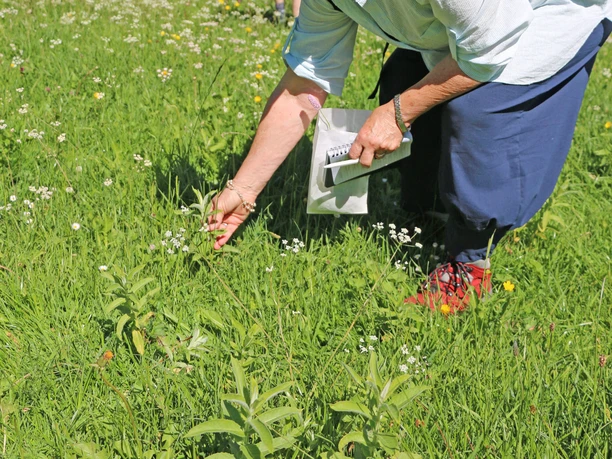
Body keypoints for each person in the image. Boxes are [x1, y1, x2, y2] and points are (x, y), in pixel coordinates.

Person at [210, 0, 612, 313]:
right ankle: (430, 213)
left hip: (548, 17)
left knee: (479, 111)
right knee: (403, 77)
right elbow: (303, 87)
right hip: (477, 25)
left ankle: (470, 267)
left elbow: (491, 50)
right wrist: (242, 191)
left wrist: (398, 112)